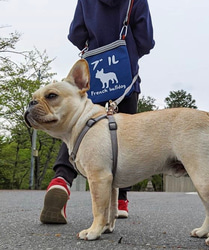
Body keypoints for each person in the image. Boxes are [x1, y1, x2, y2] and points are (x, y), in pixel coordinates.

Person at [40, 0, 155, 224]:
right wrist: (129, 50)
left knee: (79, 129)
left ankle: (61, 180)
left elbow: (75, 33)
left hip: (93, 74)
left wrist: (95, 43)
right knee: (125, 136)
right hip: (125, 76)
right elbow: (146, 41)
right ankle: (120, 201)